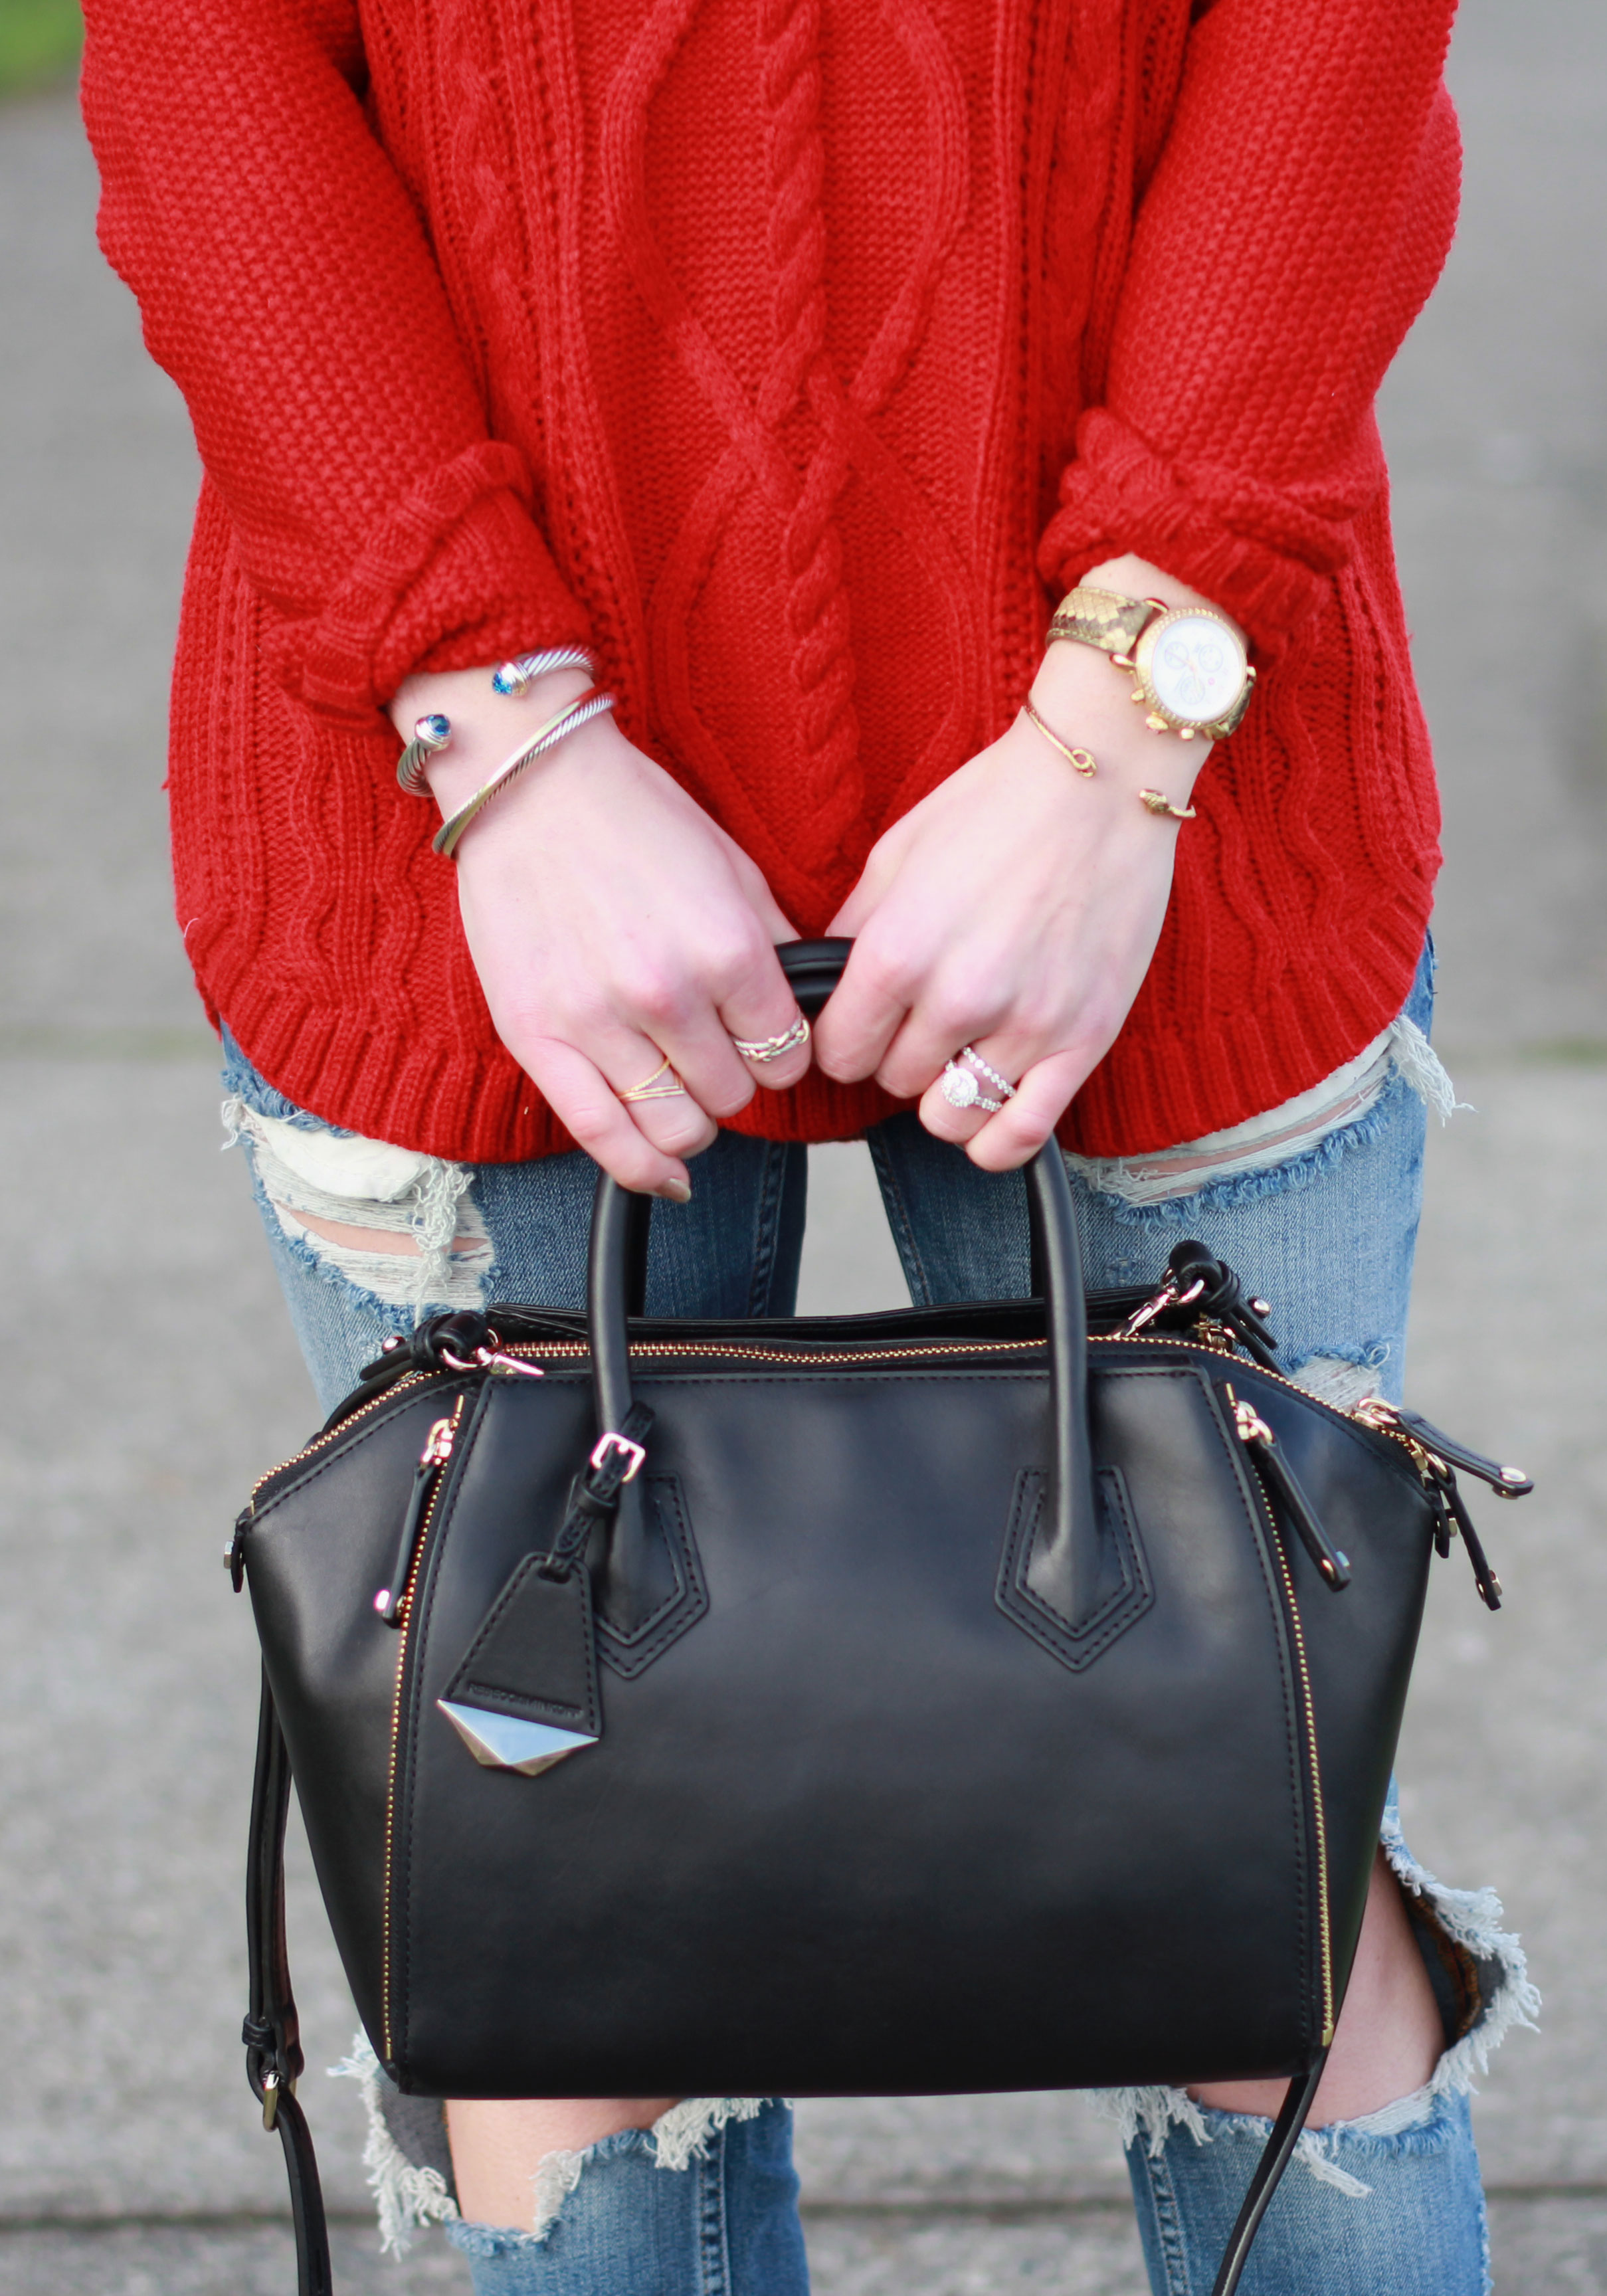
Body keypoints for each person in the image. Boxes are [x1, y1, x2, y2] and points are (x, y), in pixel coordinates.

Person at [82, 0, 1535, 2287]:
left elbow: (1329, 58)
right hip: (465, 846)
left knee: (1255, 1877)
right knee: (559, 1900)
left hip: (1160, 817)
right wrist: (500, 732)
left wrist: (1111, 722)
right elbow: (205, 76)